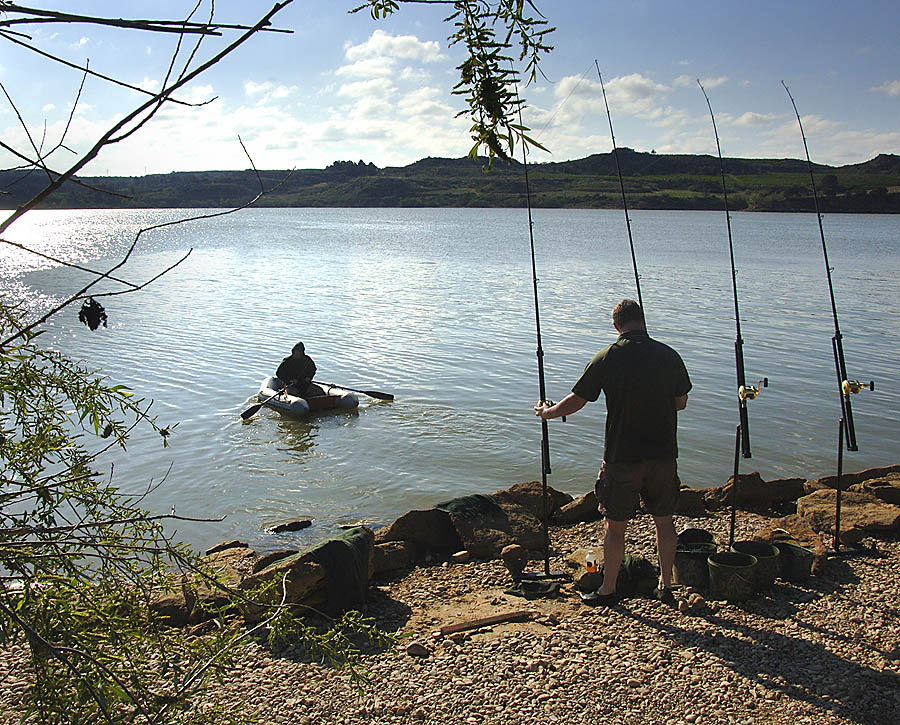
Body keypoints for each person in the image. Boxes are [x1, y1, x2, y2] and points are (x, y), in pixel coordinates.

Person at [535, 299, 691, 605]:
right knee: (664, 520)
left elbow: (578, 399)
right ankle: (666, 585)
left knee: (615, 525)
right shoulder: (669, 355)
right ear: (643, 320)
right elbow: (681, 402)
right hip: (663, 454)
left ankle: (608, 589)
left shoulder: (607, 356)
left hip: (623, 456)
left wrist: (548, 412)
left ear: (616, 325)